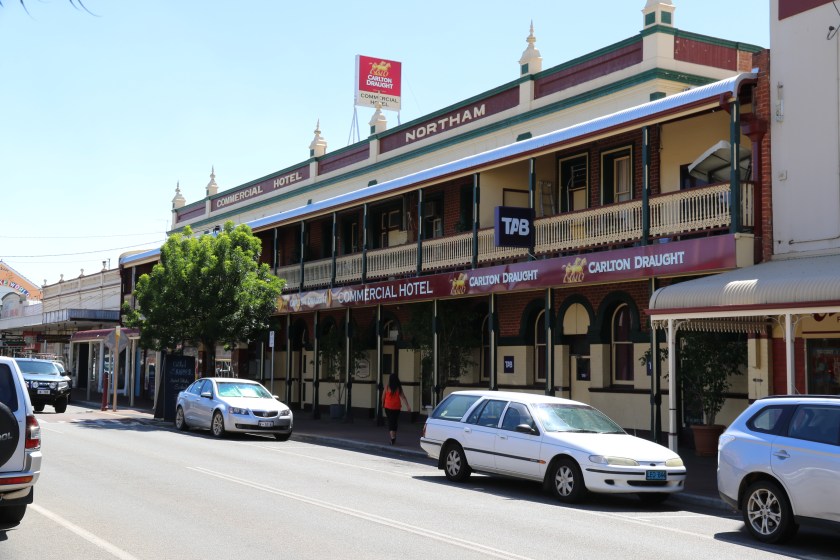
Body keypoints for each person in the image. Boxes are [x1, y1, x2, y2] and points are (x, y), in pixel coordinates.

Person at [383, 372, 410, 445]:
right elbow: (403, 397)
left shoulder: (387, 386)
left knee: (390, 421)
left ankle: (392, 438)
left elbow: (383, 396)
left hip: (388, 407)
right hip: (396, 407)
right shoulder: (398, 388)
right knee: (394, 422)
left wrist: (382, 404)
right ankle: (393, 436)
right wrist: (408, 406)